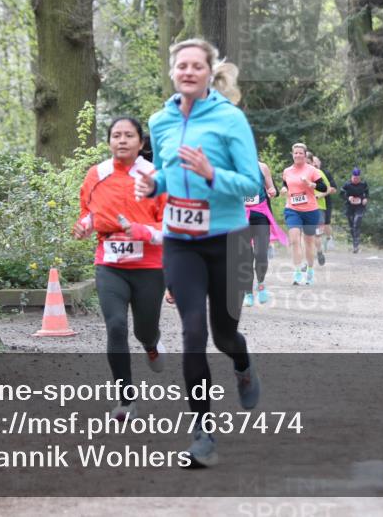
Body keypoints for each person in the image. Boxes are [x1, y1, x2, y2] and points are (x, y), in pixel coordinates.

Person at [134, 38, 262, 469]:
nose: (188, 72)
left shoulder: (230, 120)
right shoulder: (160, 120)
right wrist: (155, 184)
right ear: (173, 72)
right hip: (179, 240)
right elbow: (169, 171)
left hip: (226, 238)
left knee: (224, 336)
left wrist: (212, 174)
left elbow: (251, 185)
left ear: (210, 73)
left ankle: (242, 364)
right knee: (192, 335)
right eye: (181, 66)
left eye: (196, 66)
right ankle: (203, 432)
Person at [73, 117, 167, 421]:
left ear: (141, 143)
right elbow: (90, 213)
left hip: (150, 266)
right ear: (109, 141)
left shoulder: (155, 177)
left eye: (129, 136)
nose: (122, 140)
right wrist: (84, 226)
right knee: (115, 326)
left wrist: (141, 231)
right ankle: (126, 401)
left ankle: (151, 342)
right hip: (110, 265)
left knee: (144, 329)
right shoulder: (96, 174)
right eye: (116, 135)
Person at [280, 143, 327, 285]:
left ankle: (310, 270)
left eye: (301, 153)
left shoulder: (312, 170)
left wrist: (312, 185)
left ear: (305, 155)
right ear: (292, 154)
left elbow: (324, 187)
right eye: (296, 153)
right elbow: (286, 184)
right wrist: (283, 189)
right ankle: (297, 271)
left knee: (308, 242)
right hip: (292, 209)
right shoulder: (287, 171)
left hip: (310, 210)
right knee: (294, 239)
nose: (298, 155)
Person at [243, 160, 286, 307]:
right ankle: (248, 293)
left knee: (260, 255)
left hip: (261, 215)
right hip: (240, 218)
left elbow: (273, 189)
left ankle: (260, 283)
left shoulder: (262, 167)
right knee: (245, 257)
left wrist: (272, 191)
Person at [310, 153, 337, 262]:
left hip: (322, 204)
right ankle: (309, 258)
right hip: (304, 207)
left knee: (324, 225)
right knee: (306, 234)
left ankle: (328, 241)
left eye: (316, 162)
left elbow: (332, 188)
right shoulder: (298, 172)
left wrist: (320, 195)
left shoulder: (324, 173)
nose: (315, 164)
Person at [341, 167, 370, 253]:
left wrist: (365, 198)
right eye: (354, 178)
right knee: (352, 226)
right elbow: (341, 194)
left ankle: (356, 246)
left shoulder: (363, 184)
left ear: (359, 177)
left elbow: (367, 193)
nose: (355, 179)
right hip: (349, 207)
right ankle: (354, 243)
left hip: (360, 207)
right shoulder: (347, 185)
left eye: (357, 178)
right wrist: (348, 197)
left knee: (356, 223)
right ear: (351, 177)